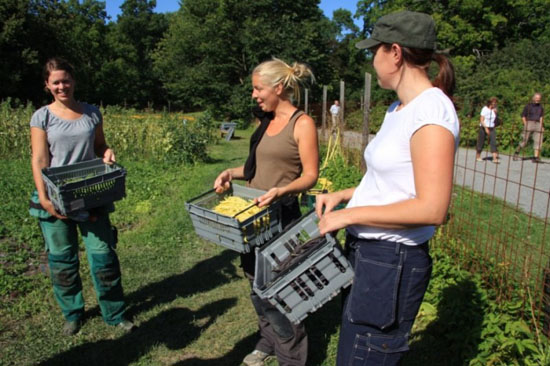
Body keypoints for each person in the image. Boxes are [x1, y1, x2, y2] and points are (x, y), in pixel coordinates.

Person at [315, 11, 459, 365]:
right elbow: (391, 181)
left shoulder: (431, 113)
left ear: (395, 53)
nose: (372, 61)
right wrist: (344, 195)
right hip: (370, 255)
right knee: (353, 351)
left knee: (365, 355)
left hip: (391, 261)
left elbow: (432, 209)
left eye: (374, 51)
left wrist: (350, 215)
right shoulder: (398, 109)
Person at [213, 58, 318, 366]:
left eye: (258, 89)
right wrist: (230, 173)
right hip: (252, 220)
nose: (254, 95)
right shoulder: (265, 121)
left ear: (279, 87)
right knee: (256, 284)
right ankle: (268, 340)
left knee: (284, 293)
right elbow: (255, 169)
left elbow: (311, 175)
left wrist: (283, 190)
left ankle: (291, 357)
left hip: (282, 219)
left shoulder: (302, 124)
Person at [29, 57, 134, 335]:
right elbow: (39, 159)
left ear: (73, 81)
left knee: (103, 256)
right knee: (62, 260)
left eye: (66, 80)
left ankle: (114, 312)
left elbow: (100, 145)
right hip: (55, 194)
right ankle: (73, 313)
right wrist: (44, 199)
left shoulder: (91, 113)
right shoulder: (42, 117)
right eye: (56, 82)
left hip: (90, 193)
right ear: (47, 86)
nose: (62, 86)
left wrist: (107, 152)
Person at [513, 93, 544, 163]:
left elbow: (541, 117)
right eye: (536, 97)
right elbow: (523, 115)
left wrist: (541, 126)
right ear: (533, 98)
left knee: (538, 140)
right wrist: (525, 124)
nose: (537, 99)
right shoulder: (528, 106)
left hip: (538, 124)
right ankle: (517, 152)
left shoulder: (541, 107)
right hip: (529, 122)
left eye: (539, 98)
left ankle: (536, 157)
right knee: (524, 140)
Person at [475, 97, 500, 163]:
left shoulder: (494, 110)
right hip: (483, 127)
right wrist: (485, 128)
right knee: (481, 142)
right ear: (490, 103)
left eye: (495, 103)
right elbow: (481, 120)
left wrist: (496, 113)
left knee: (493, 142)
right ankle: (478, 156)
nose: (494, 104)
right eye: (493, 103)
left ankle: (495, 158)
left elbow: (495, 119)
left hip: (492, 127)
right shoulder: (485, 109)